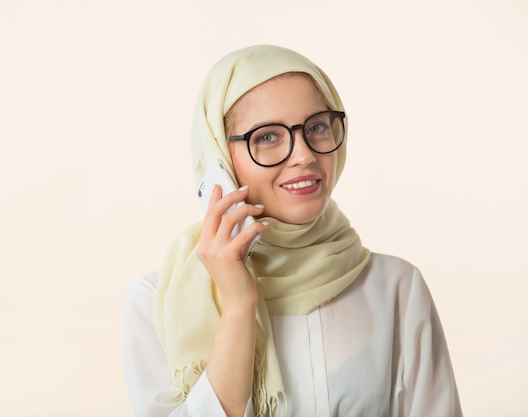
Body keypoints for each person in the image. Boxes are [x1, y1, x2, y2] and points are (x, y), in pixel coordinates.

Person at [122, 44, 462, 417]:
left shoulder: (396, 287)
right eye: (267, 136)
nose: (304, 155)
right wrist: (238, 306)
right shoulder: (159, 300)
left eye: (316, 127)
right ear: (220, 157)